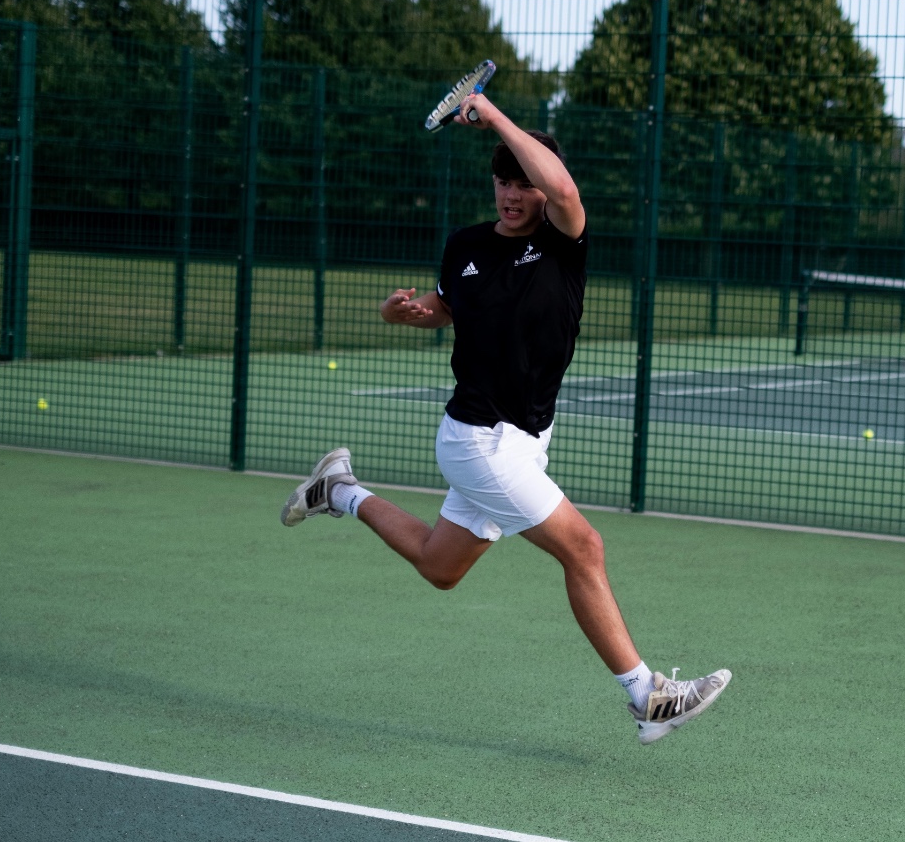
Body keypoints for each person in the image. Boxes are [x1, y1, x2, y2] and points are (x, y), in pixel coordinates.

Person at [279, 92, 729, 744]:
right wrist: (396, 313)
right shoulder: (465, 245)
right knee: (584, 548)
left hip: (527, 438)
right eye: (503, 182)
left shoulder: (563, 239)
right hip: (478, 440)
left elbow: (564, 188)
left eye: (524, 182)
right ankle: (647, 696)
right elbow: (441, 308)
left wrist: (491, 115)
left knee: (440, 566)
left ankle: (338, 489)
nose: (512, 195)